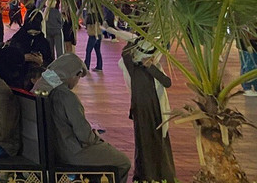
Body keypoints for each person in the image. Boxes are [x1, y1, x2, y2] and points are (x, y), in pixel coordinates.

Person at [35, 54, 131, 183]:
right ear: (75, 74)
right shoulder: (66, 96)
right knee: (123, 162)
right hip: (72, 152)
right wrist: (96, 138)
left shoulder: (42, 88)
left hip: (52, 149)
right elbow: (84, 136)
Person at [122, 40, 175, 183]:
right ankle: (146, 175)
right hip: (142, 112)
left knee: (158, 142)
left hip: (156, 112)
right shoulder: (133, 69)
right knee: (144, 144)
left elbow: (167, 82)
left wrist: (151, 66)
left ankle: (161, 175)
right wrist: (136, 38)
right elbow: (125, 53)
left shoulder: (153, 68)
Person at [83, 2, 103, 71]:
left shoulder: (91, 16)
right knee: (98, 51)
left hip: (93, 35)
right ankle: (99, 66)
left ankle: (86, 65)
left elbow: (87, 23)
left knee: (88, 50)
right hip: (99, 34)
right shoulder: (99, 15)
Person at [240, 28, 257, 97]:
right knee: (249, 65)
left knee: (249, 64)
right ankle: (248, 87)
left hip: (249, 41)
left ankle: (251, 86)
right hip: (249, 42)